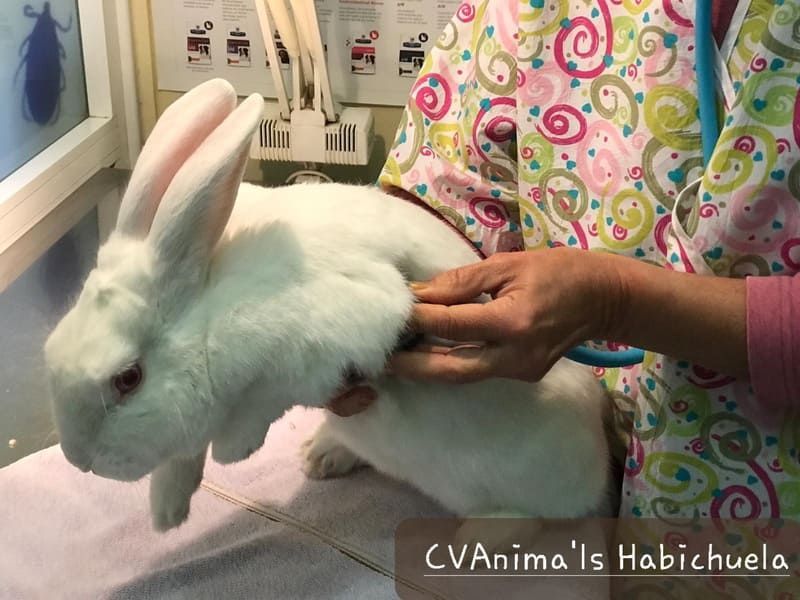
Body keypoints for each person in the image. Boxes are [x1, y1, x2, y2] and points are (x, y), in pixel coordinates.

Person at [332, 0, 800, 525]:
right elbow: (447, 191)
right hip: (558, 460)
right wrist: (366, 295)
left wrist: (616, 303)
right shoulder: (521, 13)